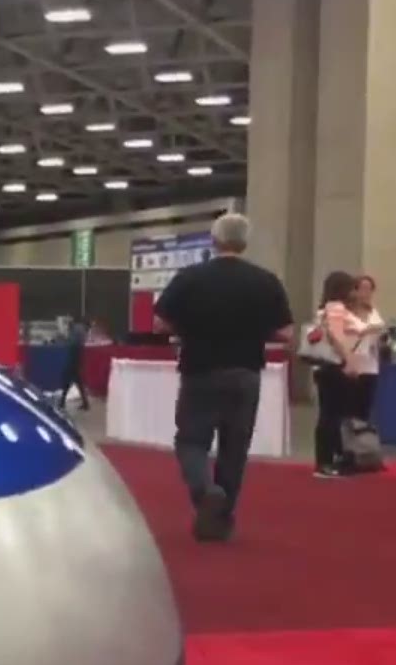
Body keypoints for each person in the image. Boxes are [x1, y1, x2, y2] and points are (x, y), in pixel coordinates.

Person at [153, 212, 294, 542]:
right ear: (244, 242)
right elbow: (286, 333)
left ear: (213, 240)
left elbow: (160, 324)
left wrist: (187, 328)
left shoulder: (190, 277)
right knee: (234, 448)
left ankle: (205, 491)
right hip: (245, 373)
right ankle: (221, 517)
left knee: (190, 440)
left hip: (200, 370)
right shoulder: (265, 280)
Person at [311, 271, 363, 479]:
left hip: (325, 367)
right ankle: (325, 461)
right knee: (330, 415)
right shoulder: (336, 308)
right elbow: (335, 336)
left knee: (330, 414)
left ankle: (329, 458)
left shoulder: (325, 309)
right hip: (333, 366)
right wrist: (349, 360)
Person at [348, 274, 386, 425]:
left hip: (370, 366)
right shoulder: (349, 313)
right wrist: (368, 329)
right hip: (353, 365)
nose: (366, 293)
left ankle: (361, 442)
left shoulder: (374, 313)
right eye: (363, 289)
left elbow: (380, 331)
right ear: (355, 291)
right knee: (351, 408)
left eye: (369, 289)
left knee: (365, 408)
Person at [57, 316, 92, 412]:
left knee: (68, 380)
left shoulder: (76, 329)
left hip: (73, 356)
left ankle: (62, 402)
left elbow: (72, 342)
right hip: (77, 357)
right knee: (77, 382)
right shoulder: (82, 330)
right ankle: (84, 403)